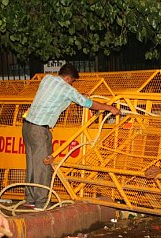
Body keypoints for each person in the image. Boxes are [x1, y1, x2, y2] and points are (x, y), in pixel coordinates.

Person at [22, 63, 121, 210]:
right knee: (44, 165)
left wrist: (77, 96)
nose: (72, 83)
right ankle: (41, 203)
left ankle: (30, 199)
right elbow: (88, 103)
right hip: (40, 130)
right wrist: (109, 108)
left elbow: (58, 97)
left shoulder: (47, 79)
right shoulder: (67, 89)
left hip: (27, 126)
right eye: (73, 81)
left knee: (32, 164)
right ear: (68, 78)